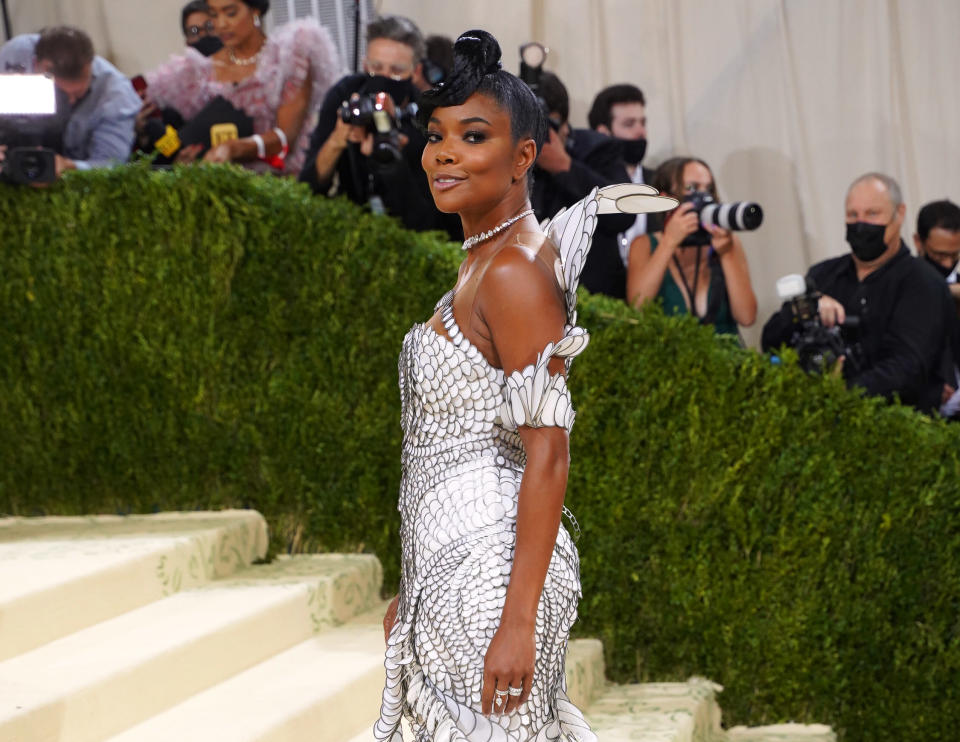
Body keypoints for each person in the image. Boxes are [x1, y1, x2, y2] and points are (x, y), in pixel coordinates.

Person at [375, 29, 599, 742]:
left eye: (472, 136)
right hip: (455, 564)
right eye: (435, 135)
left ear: (524, 155)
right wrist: (416, 582)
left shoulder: (511, 274)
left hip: (490, 583)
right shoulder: (488, 259)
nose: (443, 154)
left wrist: (516, 621)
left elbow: (549, 454)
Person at [761, 173, 954, 414]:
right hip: (816, 423)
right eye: (853, 215)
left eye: (873, 214)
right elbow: (770, 341)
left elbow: (906, 370)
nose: (861, 223)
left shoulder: (923, 283)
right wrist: (805, 309)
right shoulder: (822, 275)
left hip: (896, 431)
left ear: (899, 214)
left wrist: (840, 394)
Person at [298, 15, 459, 238]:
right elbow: (307, 188)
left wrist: (393, 160)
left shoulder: (428, 117)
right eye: (376, 67)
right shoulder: (344, 94)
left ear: (416, 71)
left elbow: (429, 224)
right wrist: (337, 140)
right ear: (365, 64)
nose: (384, 79)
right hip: (352, 229)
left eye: (396, 70)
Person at [144, 0, 342, 174]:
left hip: (279, 190)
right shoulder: (197, 71)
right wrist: (182, 157)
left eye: (230, 13)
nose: (221, 24)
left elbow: (286, 138)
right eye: (214, 14)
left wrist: (234, 148)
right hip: (218, 193)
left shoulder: (288, 59)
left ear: (254, 10)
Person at [627, 156, 758, 335]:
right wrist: (668, 243)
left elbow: (747, 317)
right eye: (691, 188)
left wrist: (726, 255)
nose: (704, 197)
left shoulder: (727, 242)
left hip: (726, 359)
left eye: (709, 189)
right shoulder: (645, 245)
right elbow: (638, 308)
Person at [0, 25, 140, 176]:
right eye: (60, 94)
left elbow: (111, 165)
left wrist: (69, 167)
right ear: (36, 65)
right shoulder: (15, 57)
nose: (70, 102)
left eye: (79, 95)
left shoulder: (116, 95)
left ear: (90, 67)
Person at [588, 84, 653, 259]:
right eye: (629, 124)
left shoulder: (659, 182)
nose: (641, 132)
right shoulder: (586, 187)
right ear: (603, 133)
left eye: (643, 122)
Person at [913, 199, 960, 416]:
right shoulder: (902, 287)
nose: (947, 264)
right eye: (939, 255)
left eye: (954, 255)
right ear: (918, 243)